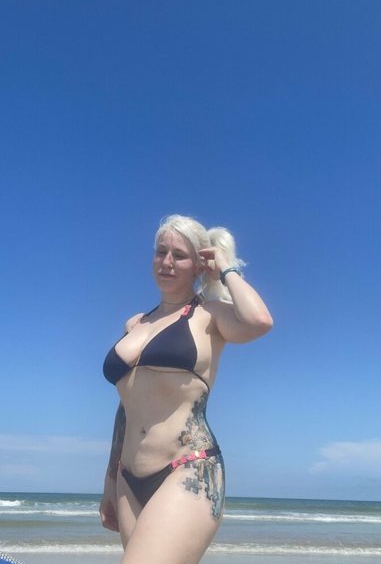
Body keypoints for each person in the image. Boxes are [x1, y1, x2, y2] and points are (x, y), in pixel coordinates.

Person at [99, 214, 273, 564]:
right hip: (128, 479)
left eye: (179, 255)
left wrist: (225, 268)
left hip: (189, 468)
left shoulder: (210, 315)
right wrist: (109, 481)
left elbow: (259, 321)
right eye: (160, 251)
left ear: (198, 264)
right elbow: (126, 407)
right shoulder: (135, 323)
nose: (166, 262)